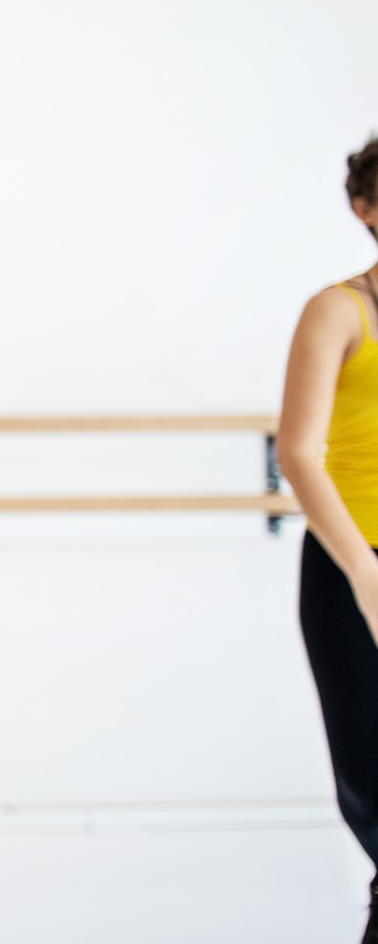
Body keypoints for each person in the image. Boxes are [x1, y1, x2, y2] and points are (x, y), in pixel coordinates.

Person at [278, 133, 378, 944]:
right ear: (365, 209)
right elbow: (299, 452)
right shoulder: (339, 309)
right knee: (374, 785)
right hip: (354, 565)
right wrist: (364, 573)